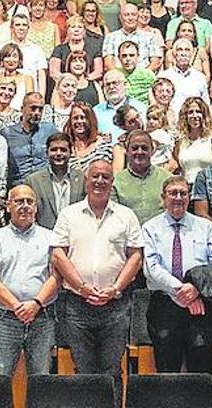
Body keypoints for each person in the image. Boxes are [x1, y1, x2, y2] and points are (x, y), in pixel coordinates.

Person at [51, 159, 143, 379]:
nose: (100, 181)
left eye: (105, 177)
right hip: (77, 304)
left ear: (112, 182)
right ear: (86, 181)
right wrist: (82, 287)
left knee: (112, 371)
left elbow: (136, 257)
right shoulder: (68, 215)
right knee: (83, 372)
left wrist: (115, 288)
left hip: (116, 305)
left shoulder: (126, 215)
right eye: (95, 176)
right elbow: (58, 255)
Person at [141, 174, 212, 376]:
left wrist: (196, 289)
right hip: (164, 307)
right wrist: (181, 292)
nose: (178, 198)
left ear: (189, 197)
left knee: (202, 372)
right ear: (163, 197)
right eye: (173, 193)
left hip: (200, 306)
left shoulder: (204, 227)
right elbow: (151, 269)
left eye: (183, 193)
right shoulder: (150, 228)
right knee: (167, 371)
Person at [0, 184, 59, 376]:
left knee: (41, 381)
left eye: (29, 201)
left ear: (36, 207)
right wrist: (17, 306)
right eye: (18, 201)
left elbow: (56, 277)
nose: (24, 206)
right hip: (4, 319)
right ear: (8, 206)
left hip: (42, 318)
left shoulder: (51, 238)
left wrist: (35, 304)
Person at [24, 131, 85, 230]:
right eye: (54, 150)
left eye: (63, 150)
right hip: (43, 240)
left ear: (71, 152)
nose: (58, 153)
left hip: (75, 237)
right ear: (46, 152)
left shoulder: (83, 180)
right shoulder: (33, 181)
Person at [112, 129, 173, 224]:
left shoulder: (168, 179)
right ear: (127, 151)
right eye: (135, 148)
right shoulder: (116, 182)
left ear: (152, 151)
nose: (139, 152)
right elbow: (113, 217)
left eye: (144, 148)